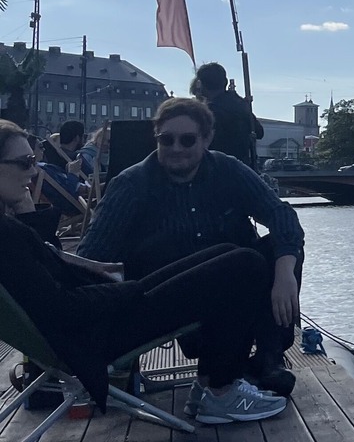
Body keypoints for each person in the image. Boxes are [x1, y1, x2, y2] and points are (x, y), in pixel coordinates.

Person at [0, 120, 286, 424]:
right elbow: (63, 308)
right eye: (24, 162)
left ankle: (207, 387)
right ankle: (221, 393)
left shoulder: (9, 231)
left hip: (94, 322)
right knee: (245, 265)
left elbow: (48, 265)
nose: (33, 171)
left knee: (226, 253)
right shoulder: (5, 238)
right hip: (94, 335)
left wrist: (25, 210)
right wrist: (128, 287)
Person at [78, 97, 305, 397]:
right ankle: (220, 384)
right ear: (156, 138)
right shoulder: (131, 185)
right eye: (167, 140)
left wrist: (285, 272)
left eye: (187, 140)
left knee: (281, 247)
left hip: (236, 292)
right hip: (171, 299)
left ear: (207, 138)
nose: (176, 148)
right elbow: (91, 257)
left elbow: (281, 214)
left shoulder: (228, 170)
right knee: (245, 262)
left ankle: (269, 356)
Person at [192, 62, 264, 168]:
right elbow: (259, 132)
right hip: (243, 169)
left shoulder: (207, 112)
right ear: (225, 82)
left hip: (216, 169)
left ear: (201, 84)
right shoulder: (240, 105)